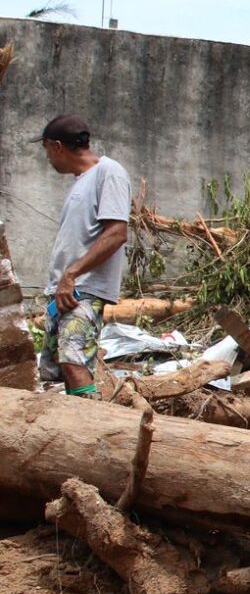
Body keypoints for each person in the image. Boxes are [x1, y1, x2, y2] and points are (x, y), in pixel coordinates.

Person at [36, 115, 130, 398]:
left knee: (73, 360)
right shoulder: (81, 181)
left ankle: (93, 431)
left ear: (56, 146)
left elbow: (116, 234)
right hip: (65, 291)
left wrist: (71, 274)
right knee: (56, 370)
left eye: (46, 151)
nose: (48, 159)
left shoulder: (108, 172)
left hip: (82, 290)